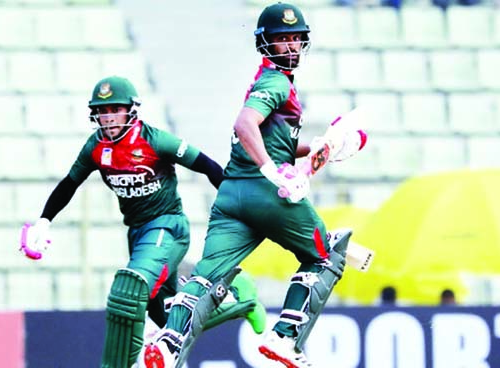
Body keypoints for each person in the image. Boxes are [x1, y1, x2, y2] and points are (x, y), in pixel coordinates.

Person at [144, 3, 366, 368]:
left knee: (207, 277)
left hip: (232, 195)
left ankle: (168, 345)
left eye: (296, 39)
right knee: (326, 255)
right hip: (268, 195)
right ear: (266, 44)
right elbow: (244, 124)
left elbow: (277, 140)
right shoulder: (276, 82)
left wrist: (322, 146)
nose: (292, 47)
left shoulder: (269, 80)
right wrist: (272, 172)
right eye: (283, 40)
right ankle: (284, 338)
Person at [20, 76, 266, 368]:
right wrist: (44, 222)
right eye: (102, 111)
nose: (108, 117)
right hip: (138, 234)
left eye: (115, 109)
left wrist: (238, 207)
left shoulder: (156, 140)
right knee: (167, 316)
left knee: (133, 286)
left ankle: (132, 362)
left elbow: (208, 166)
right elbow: (69, 184)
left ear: (130, 110)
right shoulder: (96, 148)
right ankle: (240, 300)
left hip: (167, 227)